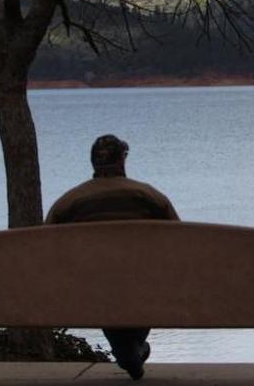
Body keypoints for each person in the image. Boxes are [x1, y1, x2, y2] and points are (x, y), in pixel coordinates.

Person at [45, 135, 180, 381]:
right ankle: (131, 350)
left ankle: (128, 351)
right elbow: (180, 240)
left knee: (104, 283)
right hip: (144, 286)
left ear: (93, 163)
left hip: (90, 288)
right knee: (135, 281)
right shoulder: (148, 196)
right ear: (123, 160)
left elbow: (44, 246)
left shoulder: (68, 203)